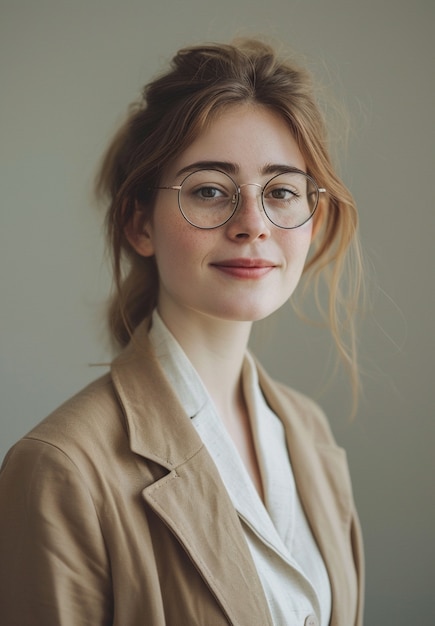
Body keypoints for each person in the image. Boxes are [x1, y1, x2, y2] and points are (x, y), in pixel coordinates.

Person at [0, 39, 364, 626]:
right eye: (210, 190)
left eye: (281, 192)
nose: (252, 225)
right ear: (139, 223)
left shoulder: (310, 437)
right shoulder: (61, 468)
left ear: (312, 222)